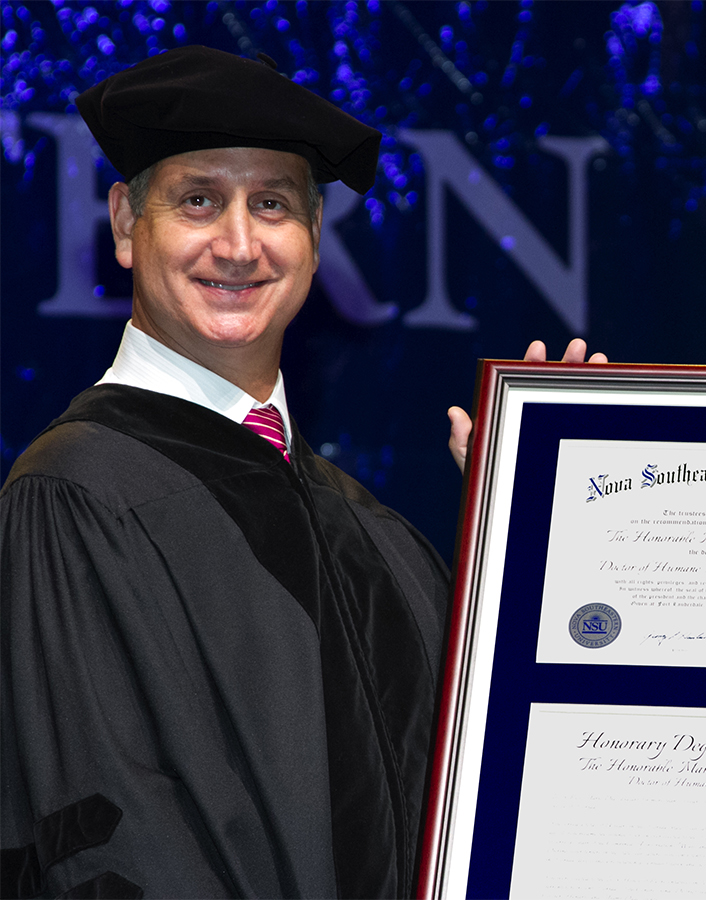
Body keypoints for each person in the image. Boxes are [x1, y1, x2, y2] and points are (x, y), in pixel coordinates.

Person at [0, 46, 600, 899]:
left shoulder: (374, 535)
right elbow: (112, 843)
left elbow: (504, 791)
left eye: (273, 204)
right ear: (128, 226)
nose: (239, 244)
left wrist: (528, 543)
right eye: (199, 199)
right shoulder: (76, 496)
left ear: (314, 242)